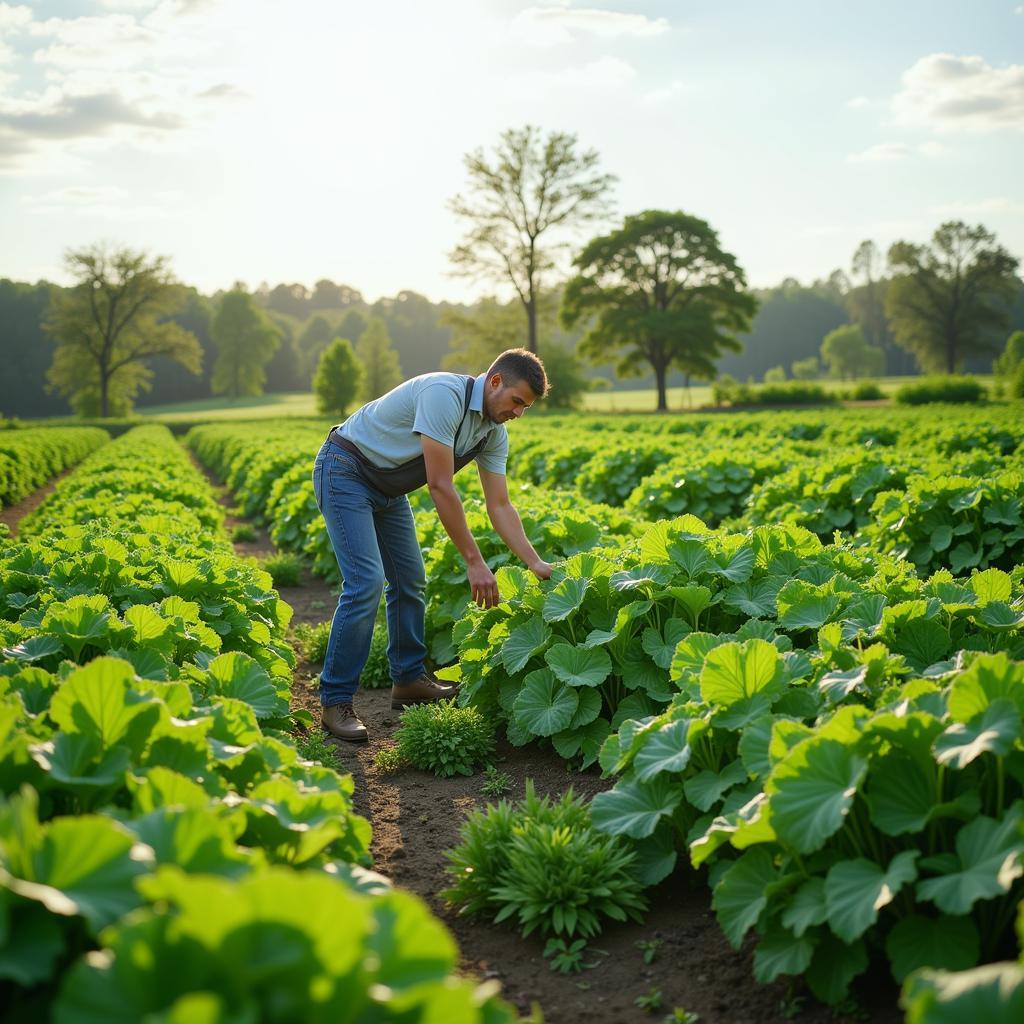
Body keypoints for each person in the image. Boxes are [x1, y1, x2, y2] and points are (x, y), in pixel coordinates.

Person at [311, 347, 554, 743]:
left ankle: (408, 681)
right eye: (516, 402)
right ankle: (335, 702)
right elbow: (441, 485)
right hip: (345, 470)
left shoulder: (493, 433)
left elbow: (500, 504)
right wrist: (474, 561)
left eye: (525, 407)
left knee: (411, 580)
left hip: (388, 488)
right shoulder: (445, 395)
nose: (518, 413)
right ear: (495, 381)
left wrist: (535, 562)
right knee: (365, 582)